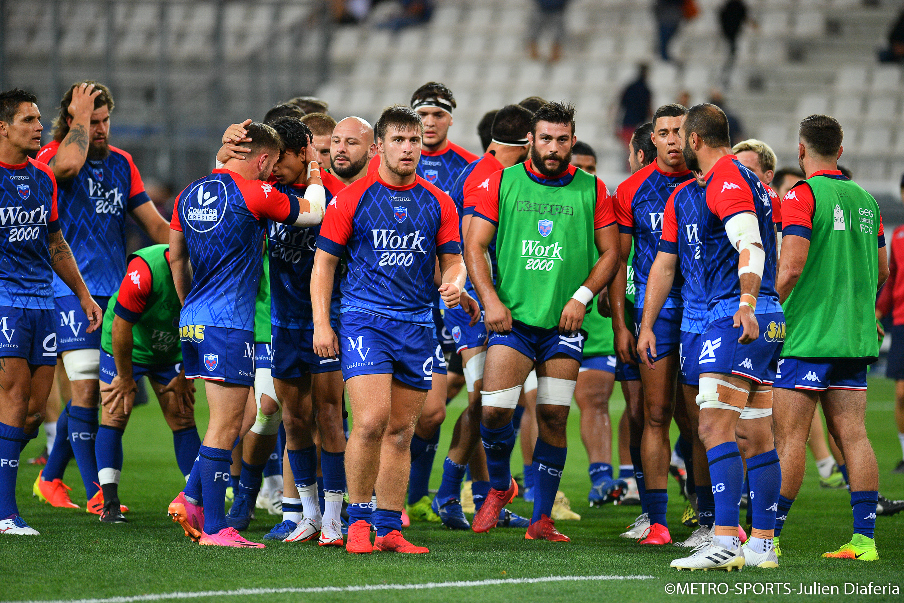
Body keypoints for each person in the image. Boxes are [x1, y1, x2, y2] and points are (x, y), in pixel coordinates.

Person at [312, 105, 472, 554]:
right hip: (365, 320)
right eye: (399, 140)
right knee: (369, 422)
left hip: (417, 324)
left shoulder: (438, 201)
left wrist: (455, 283)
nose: (408, 148)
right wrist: (322, 323)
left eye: (414, 140)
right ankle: (358, 523)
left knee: (402, 431)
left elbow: (454, 261)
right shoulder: (352, 199)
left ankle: (388, 529)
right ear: (379, 146)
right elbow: (324, 265)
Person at [166, 121, 327, 548]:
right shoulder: (254, 192)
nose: (272, 173)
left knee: (231, 420)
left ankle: (191, 499)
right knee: (226, 425)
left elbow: (176, 257)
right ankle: (216, 528)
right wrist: (313, 168)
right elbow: (313, 212)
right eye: (270, 164)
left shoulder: (189, 193)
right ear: (262, 158)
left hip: (195, 318)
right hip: (229, 323)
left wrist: (188, 305)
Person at [467, 102, 620, 541]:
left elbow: (611, 251)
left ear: (573, 140)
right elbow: (474, 245)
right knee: (494, 411)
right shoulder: (503, 181)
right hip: (513, 322)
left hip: (562, 328)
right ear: (531, 140)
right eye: (546, 139)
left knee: (553, 415)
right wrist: (491, 300)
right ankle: (501, 486)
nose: (554, 148)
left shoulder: (592, 188)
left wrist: (581, 297)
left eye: (562, 140)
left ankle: (541, 519)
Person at [34, 81, 169, 514]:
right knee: (88, 391)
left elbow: (155, 225)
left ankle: (50, 477)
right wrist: (77, 119)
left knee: (99, 394)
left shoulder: (122, 163)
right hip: (68, 291)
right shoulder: (50, 157)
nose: (101, 129)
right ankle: (98, 493)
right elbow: (69, 167)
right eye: (92, 121)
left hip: (116, 293)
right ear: (71, 120)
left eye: (105, 120)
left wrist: (190, 250)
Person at [670, 103, 782, 571]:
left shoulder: (727, 179)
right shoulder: (752, 179)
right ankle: (762, 545)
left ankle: (723, 541)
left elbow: (750, 243)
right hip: (768, 316)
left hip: (736, 314)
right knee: (756, 436)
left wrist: (746, 303)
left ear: (695, 140)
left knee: (713, 428)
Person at [773, 115, 889, 562]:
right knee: (854, 436)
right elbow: (883, 270)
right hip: (854, 340)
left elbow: (791, 267)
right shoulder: (867, 201)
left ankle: (768, 537)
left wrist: (766, 308)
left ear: (801, 150)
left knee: (790, 439)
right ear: (840, 151)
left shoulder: (801, 195)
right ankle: (864, 541)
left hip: (806, 337)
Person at [0, 88, 102, 535]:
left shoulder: (42, 177)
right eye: (28, 119)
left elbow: (55, 242)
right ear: (3, 128)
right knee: (13, 398)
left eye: (39, 118)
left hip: (43, 301)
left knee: (33, 413)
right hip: (5, 300)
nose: (39, 126)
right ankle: (6, 514)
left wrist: (83, 294)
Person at [432, 104, 534, 530]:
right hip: (470, 302)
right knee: (482, 399)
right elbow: (469, 246)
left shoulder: (488, 170)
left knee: (488, 400)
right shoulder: (486, 178)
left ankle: (474, 494)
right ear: (527, 142)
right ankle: (453, 492)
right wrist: (480, 297)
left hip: (480, 299)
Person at [263, 116, 349, 546]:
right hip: (283, 324)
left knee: (330, 416)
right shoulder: (267, 193)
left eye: (280, 158)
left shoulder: (337, 195)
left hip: (326, 322)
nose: (272, 166)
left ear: (303, 154)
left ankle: (335, 518)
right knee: (293, 419)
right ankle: (309, 515)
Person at [612, 104, 694, 545]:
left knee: (701, 420)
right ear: (654, 140)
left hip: (701, 309)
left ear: (692, 135)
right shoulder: (631, 190)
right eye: (664, 132)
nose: (672, 139)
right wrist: (621, 324)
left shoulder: (708, 182)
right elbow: (619, 260)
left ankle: (708, 518)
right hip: (653, 313)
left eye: (679, 130)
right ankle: (656, 520)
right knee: (654, 413)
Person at [95, 244, 198, 523]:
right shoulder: (145, 269)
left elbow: (205, 324)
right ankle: (110, 504)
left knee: (182, 414)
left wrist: (186, 374)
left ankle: (196, 499)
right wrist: (125, 377)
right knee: (115, 413)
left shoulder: (209, 266)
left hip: (172, 348)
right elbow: (121, 325)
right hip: (129, 344)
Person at [565, 141, 629, 506]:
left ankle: (603, 478)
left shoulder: (608, 208)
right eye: (579, 167)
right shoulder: (547, 206)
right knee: (541, 407)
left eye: (591, 168)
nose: (586, 174)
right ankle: (529, 482)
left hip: (598, 320)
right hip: (549, 319)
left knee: (596, 397)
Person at [612, 123, 654, 514]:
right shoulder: (629, 192)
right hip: (640, 312)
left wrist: (620, 321)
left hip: (648, 313)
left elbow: (619, 260)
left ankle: (700, 507)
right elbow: (620, 259)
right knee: (644, 414)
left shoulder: (629, 190)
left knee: (645, 414)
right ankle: (654, 509)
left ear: (639, 153)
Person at [877, 172, 904, 476]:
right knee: (901, 394)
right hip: (902, 323)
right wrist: (878, 310)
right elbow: (893, 277)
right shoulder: (898, 237)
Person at [616, 65, 653, 148]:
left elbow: (620, 106)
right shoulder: (645, 90)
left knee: (630, 150)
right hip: (638, 125)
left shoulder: (629, 88)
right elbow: (649, 108)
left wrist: (616, 124)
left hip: (627, 123)